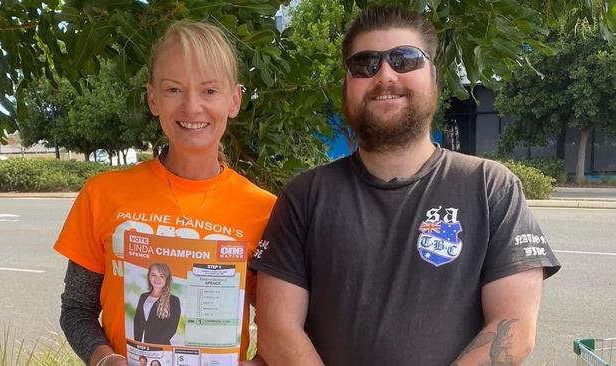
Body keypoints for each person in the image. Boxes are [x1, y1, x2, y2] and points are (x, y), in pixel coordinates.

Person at [250, 5, 561, 366]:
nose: (384, 75)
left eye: (405, 59)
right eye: (365, 64)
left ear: (434, 79)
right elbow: (277, 328)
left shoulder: (491, 188)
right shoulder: (304, 195)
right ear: (347, 85)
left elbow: (513, 328)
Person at [55, 19, 275, 366]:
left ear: (234, 100)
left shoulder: (267, 211)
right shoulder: (102, 194)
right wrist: (105, 361)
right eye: (174, 89)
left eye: (209, 91)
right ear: (153, 98)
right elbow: (76, 310)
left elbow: (284, 325)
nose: (191, 107)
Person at [133, 263, 181, 345]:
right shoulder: (143, 296)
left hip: (160, 347)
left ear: (167, 279)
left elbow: (171, 329)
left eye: (162, 276)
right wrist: (138, 343)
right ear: (149, 277)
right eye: (154, 275)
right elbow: (137, 321)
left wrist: (153, 346)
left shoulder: (174, 300)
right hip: (141, 345)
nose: (157, 279)